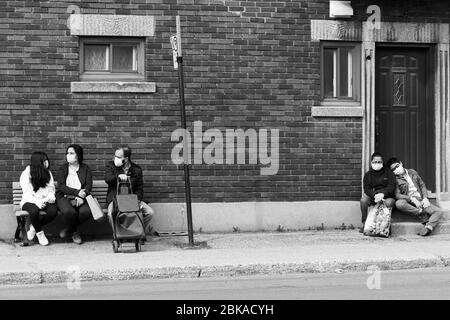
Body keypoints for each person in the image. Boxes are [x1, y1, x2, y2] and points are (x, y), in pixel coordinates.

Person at [386, 157, 446, 236]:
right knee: (399, 203)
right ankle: (421, 213)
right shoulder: (395, 179)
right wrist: (411, 199)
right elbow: (397, 195)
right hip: (408, 201)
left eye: (397, 166)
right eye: (393, 169)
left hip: (420, 199)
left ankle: (428, 227)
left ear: (401, 163)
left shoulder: (412, 172)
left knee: (439, 211)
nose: (396, 169)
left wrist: (425, 198)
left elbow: (422, 185)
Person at [105, 146, 154, 241]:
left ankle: (137, 233)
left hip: (131, 199)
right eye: (115, 156)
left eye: (118, 157)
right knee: (110, 214)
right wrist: (118, 176)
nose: (115, 158)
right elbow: (108, 179)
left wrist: (137, 200)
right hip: (116, 199)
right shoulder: (111, 166)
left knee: (149, 212)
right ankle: (118, 235)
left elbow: (139, 188)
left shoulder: (136, 169)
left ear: (126, 159)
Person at [56, 144, 92, 244]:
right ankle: (75, 232)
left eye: (71, 153)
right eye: (67, 153)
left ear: (78, 155)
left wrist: (81, 196)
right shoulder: (63, 168)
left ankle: (69, 229)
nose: (68, 155)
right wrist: (77, 193)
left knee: (86, 212)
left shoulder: (85, 168)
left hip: (82, 197)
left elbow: (88, 185)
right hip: (64, 196)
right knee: (69, 212)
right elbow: (61, 186)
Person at [19, 152, 58, 246]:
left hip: (45, 200)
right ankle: (40, 233)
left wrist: (48, 199)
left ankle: (33, 228)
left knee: (53, 211)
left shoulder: (48, 173)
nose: (46, 162)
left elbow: (51, 189)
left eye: (46, 160)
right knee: (34, 211)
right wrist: (39, 203)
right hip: (29, 201)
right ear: (38, 162)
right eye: (44, 160)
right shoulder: (26, 174)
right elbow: (27, 193)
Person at [360, 152, 396, 232]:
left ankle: (385, 226)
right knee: (363, 201)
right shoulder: (368, 175)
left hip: (387, 196)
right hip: (374, 196)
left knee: (389, 203)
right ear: (371, 162)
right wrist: (375, 195)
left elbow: (392, 186)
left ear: (382, 162)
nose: (377, 163)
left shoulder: (389, 173)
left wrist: (382, 194)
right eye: (375, 162)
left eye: (379, 162)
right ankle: (365, 224)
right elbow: (366, 189)